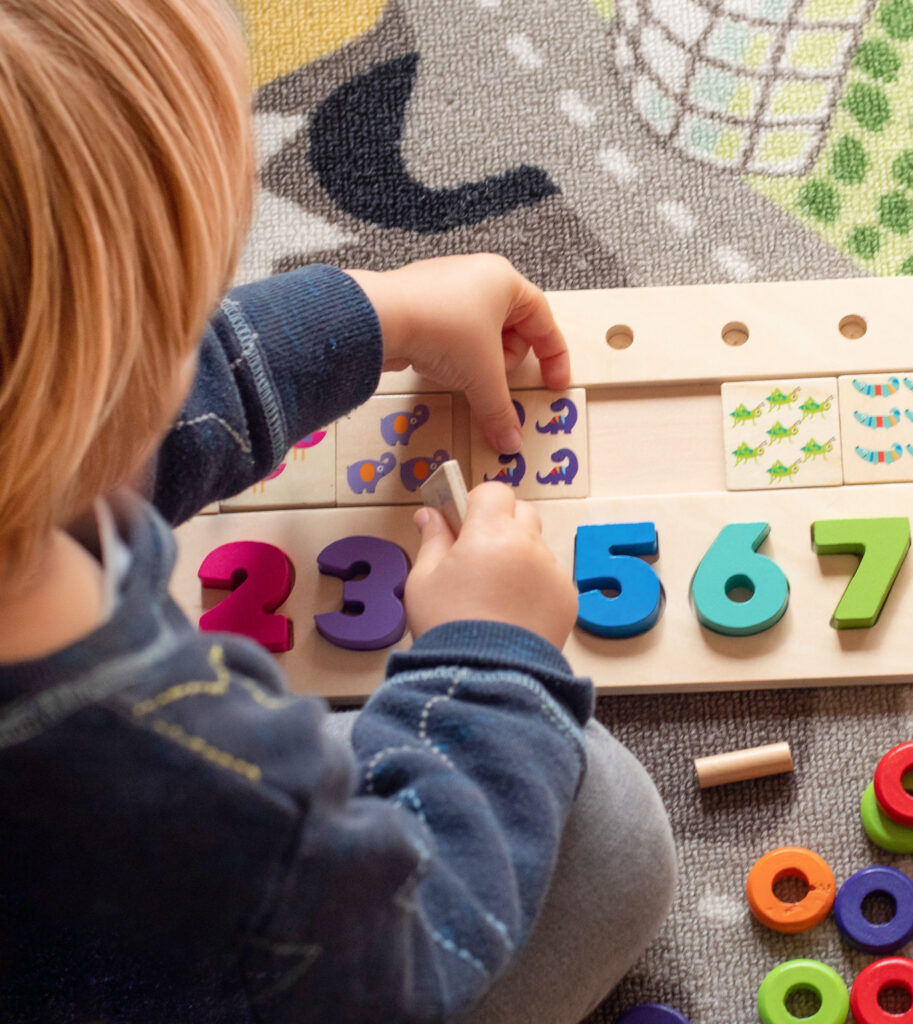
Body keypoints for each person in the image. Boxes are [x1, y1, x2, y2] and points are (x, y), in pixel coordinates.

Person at [0, 2, 675, 1021]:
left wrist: (374, 315)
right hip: (280, 964)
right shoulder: (218, 792)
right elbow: (405, 959)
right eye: (190, 321)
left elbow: (113, 425)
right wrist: (480, 666)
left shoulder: (39, 440)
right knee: (605, 821)